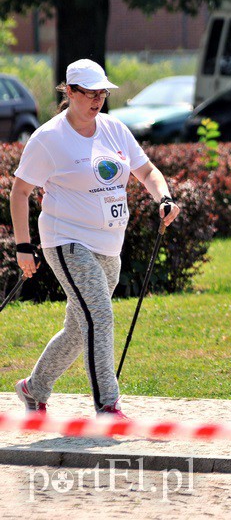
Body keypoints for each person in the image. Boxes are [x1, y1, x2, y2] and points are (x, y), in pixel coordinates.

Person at [10, 59, 180, 419]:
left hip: (109, 244)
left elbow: (147, 171)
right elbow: (20, 191)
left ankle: (33, 388)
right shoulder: (48, 138)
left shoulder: (114, 129)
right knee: (99, 317)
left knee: (78, 326)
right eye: (89, 93)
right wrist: (24, 247)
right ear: (69, 92)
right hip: (66, 240)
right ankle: (108, 405)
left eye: (102, 92)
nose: (97, 100)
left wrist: (163, 197)